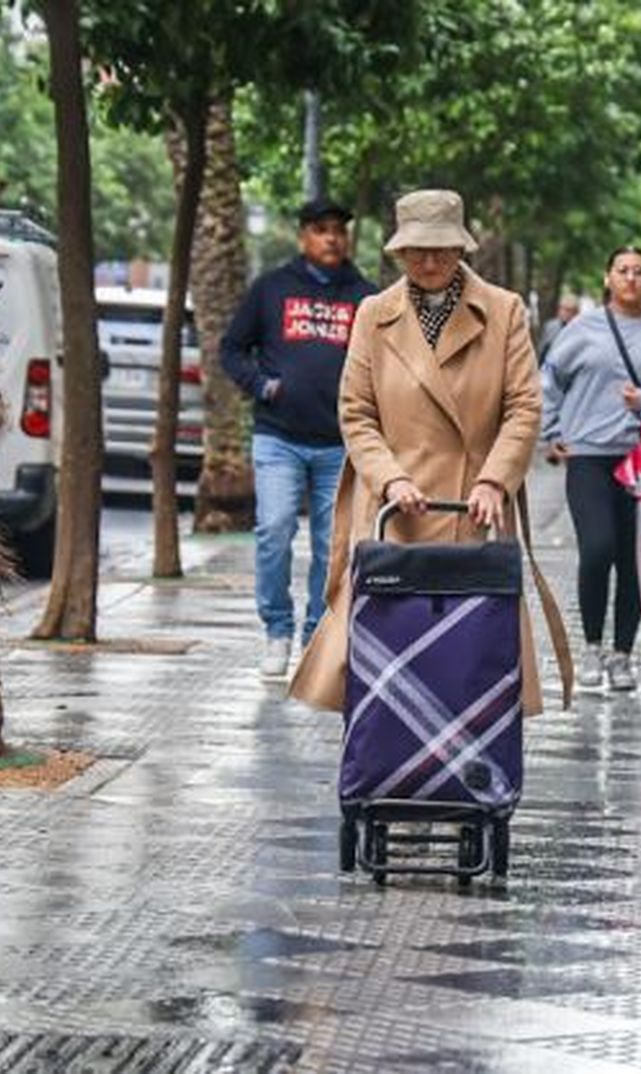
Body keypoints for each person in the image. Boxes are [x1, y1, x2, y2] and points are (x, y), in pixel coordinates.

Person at [290, 189, 569, 715]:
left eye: (442, 248)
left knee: (464, 657)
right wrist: (390, 478)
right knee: (387, 659)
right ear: (398, 253)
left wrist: (494, 479)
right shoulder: (374, 314)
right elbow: (356, 413)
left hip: (472, 509)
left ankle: (464, 767)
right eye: (417, 250)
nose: (430, 260)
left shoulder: (504, 311)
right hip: (395, 512)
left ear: (463, 248)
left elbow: (524, 408)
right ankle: (386, 763)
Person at [221, 198, 376, 680]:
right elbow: (231, 348)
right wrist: (261, 385)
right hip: (279, 437)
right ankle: (276, 630)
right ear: (303, 237)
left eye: (339, 230)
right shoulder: (272, 288)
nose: (332, 238)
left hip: (340, 443)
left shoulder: (366, 297)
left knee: (334, 546)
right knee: (274, 530)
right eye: (321, 230)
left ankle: (315, 634)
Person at [542, 247, 641, 693]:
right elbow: (548, 379)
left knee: (635, 558)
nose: (631, 278)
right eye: (622, 271)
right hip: (588, 455)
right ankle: (591, 647)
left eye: (639, 272)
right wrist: (552, 431)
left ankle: (622, 655)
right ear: (608, 278)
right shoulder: (582, 329)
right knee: (597, 549)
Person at [538, 294, 579, 360]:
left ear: (576, 312)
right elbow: (542, 349)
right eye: (562, 309)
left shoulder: (579, 329)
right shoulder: (550, 326)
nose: (564, 313)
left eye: (568, 310)